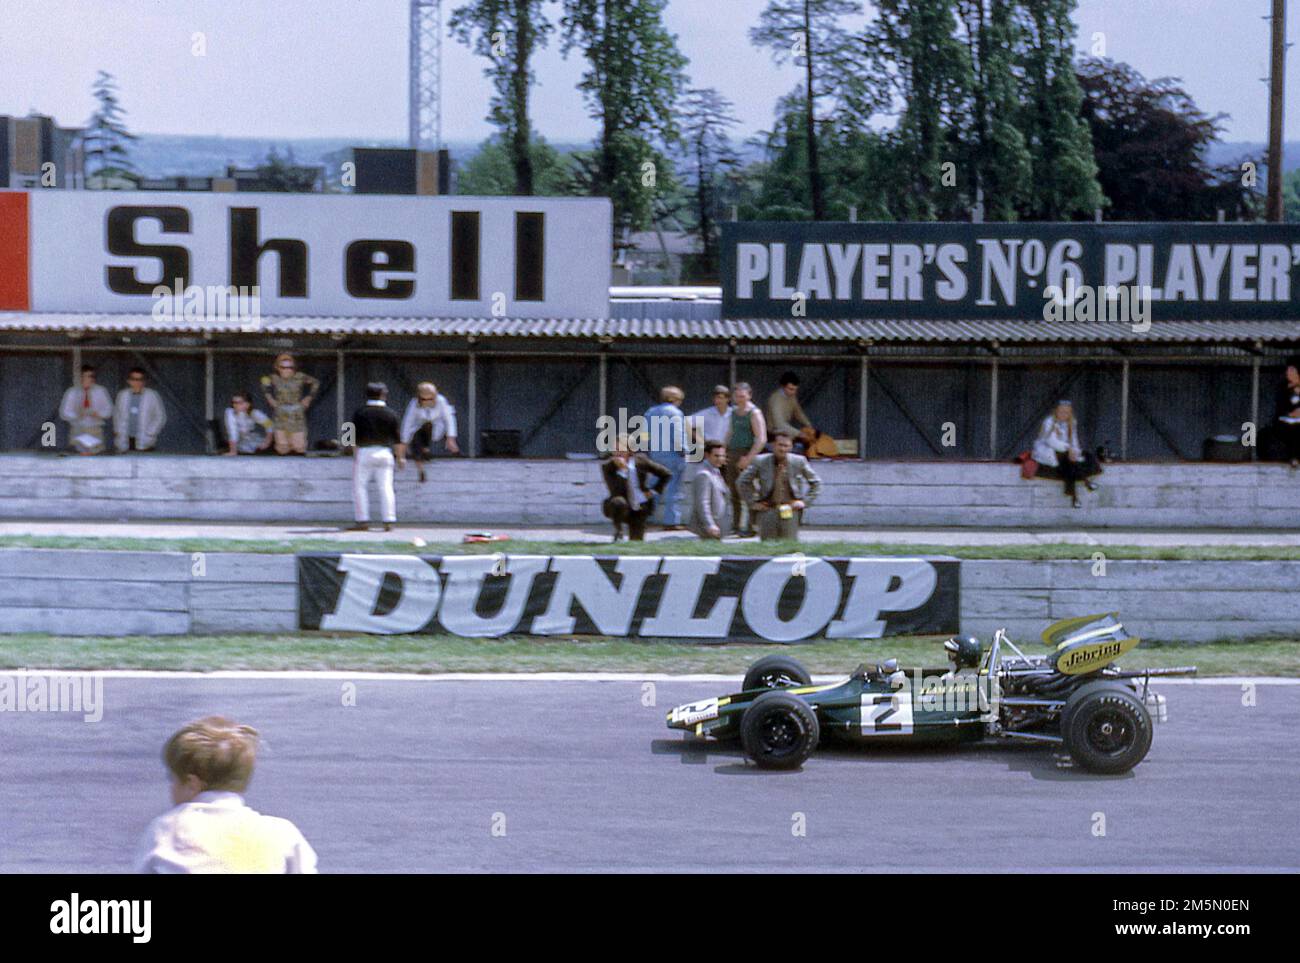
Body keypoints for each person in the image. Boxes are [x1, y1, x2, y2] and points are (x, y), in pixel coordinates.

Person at [135, 716, 317, 874]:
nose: (171, 788)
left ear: (192, 784)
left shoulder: (167, 830)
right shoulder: (283, 833)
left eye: (172, 779)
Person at [737, 429, 822, 541]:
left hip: (790, 509)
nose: (783, 449)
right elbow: (742, 481)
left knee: (789, 546)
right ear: (773, 445)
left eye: (786, 446)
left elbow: (816, 482)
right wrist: (752, 502)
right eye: (780, 445)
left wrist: (804, 502)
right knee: (767, 545)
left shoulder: (799, 461)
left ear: (791, 447)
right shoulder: (761, 461)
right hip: (768, 509)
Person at [346, 382, 404, 532]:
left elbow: (349, 435)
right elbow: (398, 439)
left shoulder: (359, 412)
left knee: (359, 487)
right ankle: (388, 520)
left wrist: (354, 453)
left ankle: (362, 520)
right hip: (385, 452)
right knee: (386, 487)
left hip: (365, 452)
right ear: (384, 395)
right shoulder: (392, 413)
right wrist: (400, 457)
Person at [1031, 400, 1100, 508]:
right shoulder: (1049, 422)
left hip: (1066, 451)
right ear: (1056, 411)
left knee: (1086, 456)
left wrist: (1075, 451)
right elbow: (1051, 441)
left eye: (1067, 412)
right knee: (1068, 461)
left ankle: (1075, 497)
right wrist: (1069, 449)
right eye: (1061, 412)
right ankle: (1083, 486)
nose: (1064, 415)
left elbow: (1074, 441)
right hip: (1048, 451)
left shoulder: (1072, 423)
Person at [601, 435, 671, 541]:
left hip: (640, 505)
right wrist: (623, 471)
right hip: (622, 506)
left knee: (636, 540)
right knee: (618, 502)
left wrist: (653, 491)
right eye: (615, 450)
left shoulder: (641, 461)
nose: (617, 453)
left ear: (630, 450)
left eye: (621, 450)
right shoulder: (608, 467)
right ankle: (618, 531)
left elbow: (666, 474)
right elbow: (615, 491)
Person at [723, 382, 767, 537]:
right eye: (736, 396)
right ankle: (736, 525)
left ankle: (752, 526)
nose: (739, 399)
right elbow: (730, 432)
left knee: (748, 491)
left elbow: (761, 439)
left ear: (749, 395)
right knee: (734, 491)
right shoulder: (733, 412)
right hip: (732, 453)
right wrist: (723, 450)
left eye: (742, 396)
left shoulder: (754, 412)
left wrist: (749, 458)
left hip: (747, 453)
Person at [644, 386, 688, 530]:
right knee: (673, 489)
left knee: (654, 487)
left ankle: (644, 516)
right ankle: (671, 521)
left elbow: (644, 434)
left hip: (655, 455)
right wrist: (684, 450)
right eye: (680, 399)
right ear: (674, 399)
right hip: (672, 455)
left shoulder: (650, 412)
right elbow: (677, 435)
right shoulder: (675, 413)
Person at [399, 381, 459, 482]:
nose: (427, 402)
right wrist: (403, 445)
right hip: (419, 430)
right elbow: (407, 423)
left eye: (430, 399)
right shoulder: (414, 404)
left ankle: (426, 449)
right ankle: (421, 469)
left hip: (437, 428)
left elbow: (449, 419)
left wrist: (451, 438)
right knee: (415, 440)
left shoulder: (441, 401)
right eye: (424, 399)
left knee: (429, 425)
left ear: (435, 396)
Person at [260, 352, 319, 455]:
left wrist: (309, 397)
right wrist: (269, 398)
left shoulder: (300, 377)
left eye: (290, 367)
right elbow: (264, 382)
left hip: (296, 413)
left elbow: (315, 382)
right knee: (282, 447)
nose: (287, 370)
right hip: (281, 413)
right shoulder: (274, 378)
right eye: (283, 367)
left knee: (299, 447)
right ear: (278, 367)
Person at [59, 365, 114, 455]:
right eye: (88, 376)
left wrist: (98, 414)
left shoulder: (101, 391)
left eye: (92, 376)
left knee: (95, 456)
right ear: (81, 377)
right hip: (77, 429)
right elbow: (64, 413)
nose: (91, 379)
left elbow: (109, 410)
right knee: (78, 457)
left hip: (95, 429)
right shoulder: (72, 392)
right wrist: (77, 415)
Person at [113, 367, 167, 452]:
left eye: (140, 379)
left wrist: (151, 432)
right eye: (134, 379)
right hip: (125, 438)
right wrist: (118, 430)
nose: (137, 382)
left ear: (144, 381)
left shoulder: (152, 395)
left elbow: (161, 416)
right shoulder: (122, 395)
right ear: (129, 381)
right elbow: (116, 414)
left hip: (144, 439)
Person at [690, 440, 729, 540]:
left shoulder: (716, 471)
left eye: (722, 456)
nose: (720, 459)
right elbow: (702, 502)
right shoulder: (704, 474)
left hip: (719, 525)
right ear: (707, 455)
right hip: (709, 528)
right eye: (716, 456)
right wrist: (710, 524)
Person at [766, 370, 813, 438]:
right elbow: (779, 424)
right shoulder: (775, 400)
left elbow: (798, 412)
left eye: (795, 389)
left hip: (785, 431)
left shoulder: (791, 396)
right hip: (774, 433)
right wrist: (799, 433)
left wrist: (808, 425)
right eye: (791, 389)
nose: (794, 392)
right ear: (783, 386)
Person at [688, 385, 732, 451]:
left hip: (729, 449)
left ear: (728, 399)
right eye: (715, 398)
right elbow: (686, 423)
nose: (717, 400)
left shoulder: (733, 413)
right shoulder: (707, 413)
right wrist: (701, 441)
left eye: (720, 398)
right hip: (710, 450)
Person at [1274, 357, 1300, 469]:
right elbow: (1280, 408)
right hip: (1286, 421)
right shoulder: (1283, 388)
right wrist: (1290, 414)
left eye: (1292, 371)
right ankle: (1293, 458)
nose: (1288, 373)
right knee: (1292, 430)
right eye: (1288, 370)